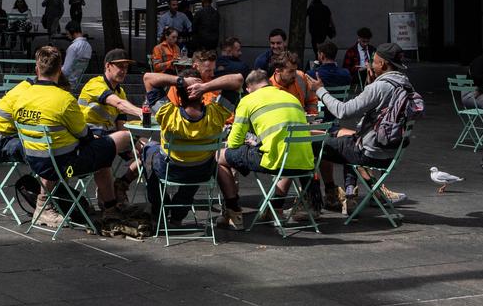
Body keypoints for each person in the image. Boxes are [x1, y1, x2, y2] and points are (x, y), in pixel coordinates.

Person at [0, 45, 133, 228]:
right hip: (66, 166)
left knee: (95, 149)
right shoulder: (64, 100)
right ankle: (110, 206)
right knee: (113, 143)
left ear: (37, 69)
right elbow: (84, 134)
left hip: (34, 160)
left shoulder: (22, 97)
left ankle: (101, 204)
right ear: (60, 70)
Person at [309, 41, 412, 213]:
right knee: (349, 141)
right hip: (392, 153)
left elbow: (342, 111)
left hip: (370, 153)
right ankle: (351, 197)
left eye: (374, 61)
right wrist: (370, 84)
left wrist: (320, 90)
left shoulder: (380, 87)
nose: (370, 64)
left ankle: (315, 201)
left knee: (313, 144)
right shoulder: (406, 84)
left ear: (383, 64)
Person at [215, 69, 315, 228]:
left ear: (248, 88)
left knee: (219, 157)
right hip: (304, 162)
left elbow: (234, 143)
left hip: (274, 160)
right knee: (286, 155)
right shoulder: (291, 97)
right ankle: (276, 208)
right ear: (267, 83)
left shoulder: (248, 100)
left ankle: (233, 211)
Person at [144, 78, 228, 224]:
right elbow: (238, 80)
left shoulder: (167, 113)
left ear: (178, 95)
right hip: (202, 171)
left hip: (170, 170)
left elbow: (148, 79)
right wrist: (205, 86)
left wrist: (180, 80)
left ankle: (159, 208)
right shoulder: (217, 113)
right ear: (202, 94)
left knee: (148, 150)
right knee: (197, 164)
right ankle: (178, 214)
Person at [77, 49, 144, 200]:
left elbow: (121, 125)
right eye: (120, 66)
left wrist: (136, 144)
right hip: (88, 137)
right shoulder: (95, 84)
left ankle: (121, 184)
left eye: (126, 67)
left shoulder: (121, 92)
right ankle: (107, 197)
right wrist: (142, 112)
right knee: (106, 153)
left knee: (150, 152)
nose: (123, 71)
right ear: (108, 66)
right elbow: (119, 104)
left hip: (111, 136)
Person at [269, 51, 318, 115]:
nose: (295, 75)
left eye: (295, 70)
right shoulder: (270, 87)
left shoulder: (300, 77)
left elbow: (312, 101)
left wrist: (311, 115)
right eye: (291, 71)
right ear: (278, 71)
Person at [61, 20, 92, 89]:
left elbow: (65, 71)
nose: (67, 36)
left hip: (67, 82)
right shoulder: (88, 46)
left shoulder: (73, 48)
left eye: (68, 33)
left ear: (72, 32)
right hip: (77, 80)